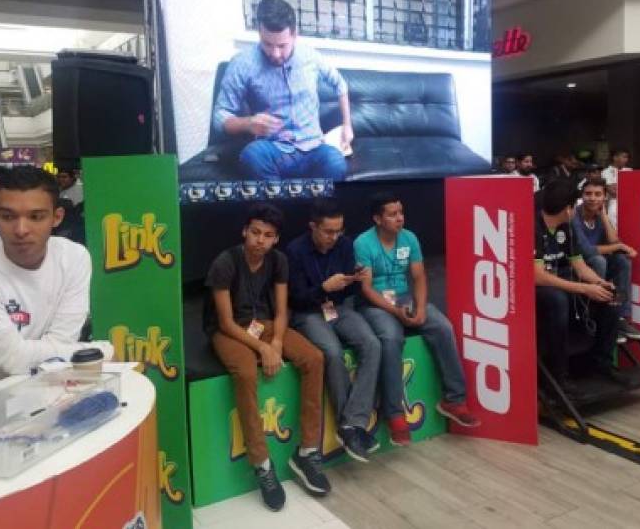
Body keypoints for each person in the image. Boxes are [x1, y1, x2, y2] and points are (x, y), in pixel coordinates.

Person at [0, 167, 113, 398]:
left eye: (36, 217)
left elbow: (57, 345)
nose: (21, 230)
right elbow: (11, 359)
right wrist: (98, 351)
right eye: (8, 216)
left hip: (47, 389)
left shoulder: (74, 257)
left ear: (57, 217)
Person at [205, 203, 330, 511]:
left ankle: (307, 451)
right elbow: (225, 323)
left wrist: (274, 341)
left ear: (276, 239)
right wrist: (262, 348)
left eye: (268, 235)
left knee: (314, 358)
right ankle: (262, 464)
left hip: (266, 324)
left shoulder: (279, 260)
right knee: (246, 372)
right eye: (256, 232)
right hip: (230, 330)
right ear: (245, 231)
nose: (260, 240)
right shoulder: (225, 263)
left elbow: (283, 309)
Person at [355, 192, 480, 446]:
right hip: (376, 303)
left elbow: (420, 277)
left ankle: (454, 400)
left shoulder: (409, 238)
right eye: (392, 214)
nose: (399, 219)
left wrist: (421, 308)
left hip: (404, 297)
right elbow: (366, 289)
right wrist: (395, 312)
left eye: (401, 213)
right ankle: (395, 415)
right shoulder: (362, 243)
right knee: (391, 338)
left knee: (443, 327)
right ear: (378, 218)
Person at [213, 0, 354, 181]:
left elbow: (340, 85)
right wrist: (248, 123)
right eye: (267, 44)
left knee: (335, 163)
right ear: (260, 33)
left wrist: (347, 125)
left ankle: (306, 207)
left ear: (294, 35)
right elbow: (220, 115)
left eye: (282, 45)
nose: (275, 53)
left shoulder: (311, 57)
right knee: (251, 156)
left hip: (313, 147)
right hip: (273, 148)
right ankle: (282, 207)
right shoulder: (242, 64)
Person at [285, 198, 381, 463]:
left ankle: (353, 423)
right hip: (308, 313)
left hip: (338, 308)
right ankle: (348, 425)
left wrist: (355, 280)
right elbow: (295, 299)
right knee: (331, 351)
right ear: (312, 227)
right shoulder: (295, 251)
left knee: (371, 343)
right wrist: (324, 288)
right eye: (328, 231)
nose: (334, 237)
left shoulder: (345, 245)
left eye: (339, 230)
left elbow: (348, 290)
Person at [534, 179, 621, 397]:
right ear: (567, 208)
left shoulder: (567, 227)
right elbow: (537, 276)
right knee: (558, 299)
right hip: (535, 284)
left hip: (559, 275)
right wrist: (582, 289)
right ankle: (558, 375)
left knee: (611, 296)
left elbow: (579, 265)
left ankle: (602, 362)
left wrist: (598, 283)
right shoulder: (533, 226)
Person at [570, 178, 640, 342]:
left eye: (597, 194)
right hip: (577, 267)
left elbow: (614, 242)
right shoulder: (574, 215)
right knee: (599, 260)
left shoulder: (601, 217)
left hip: (597, 265)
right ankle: (599, 316)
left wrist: (603, 216)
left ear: (604, 197)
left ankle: (619, 317)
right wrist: (618, 247)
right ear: (582, 196)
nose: (593, 198)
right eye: (588, 194)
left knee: (622, 261)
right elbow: (585, 250)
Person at [601, 148, 631, 229]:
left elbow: (636, 189)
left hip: (630, 204)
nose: (626, 159)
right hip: (614, 204)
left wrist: (618, 186)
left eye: (627, 157)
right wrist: (628, 188)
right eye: (623, 157)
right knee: (615, 231)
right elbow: (613, 192)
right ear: (615, 157)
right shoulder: (606, 172)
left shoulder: (629, 171)